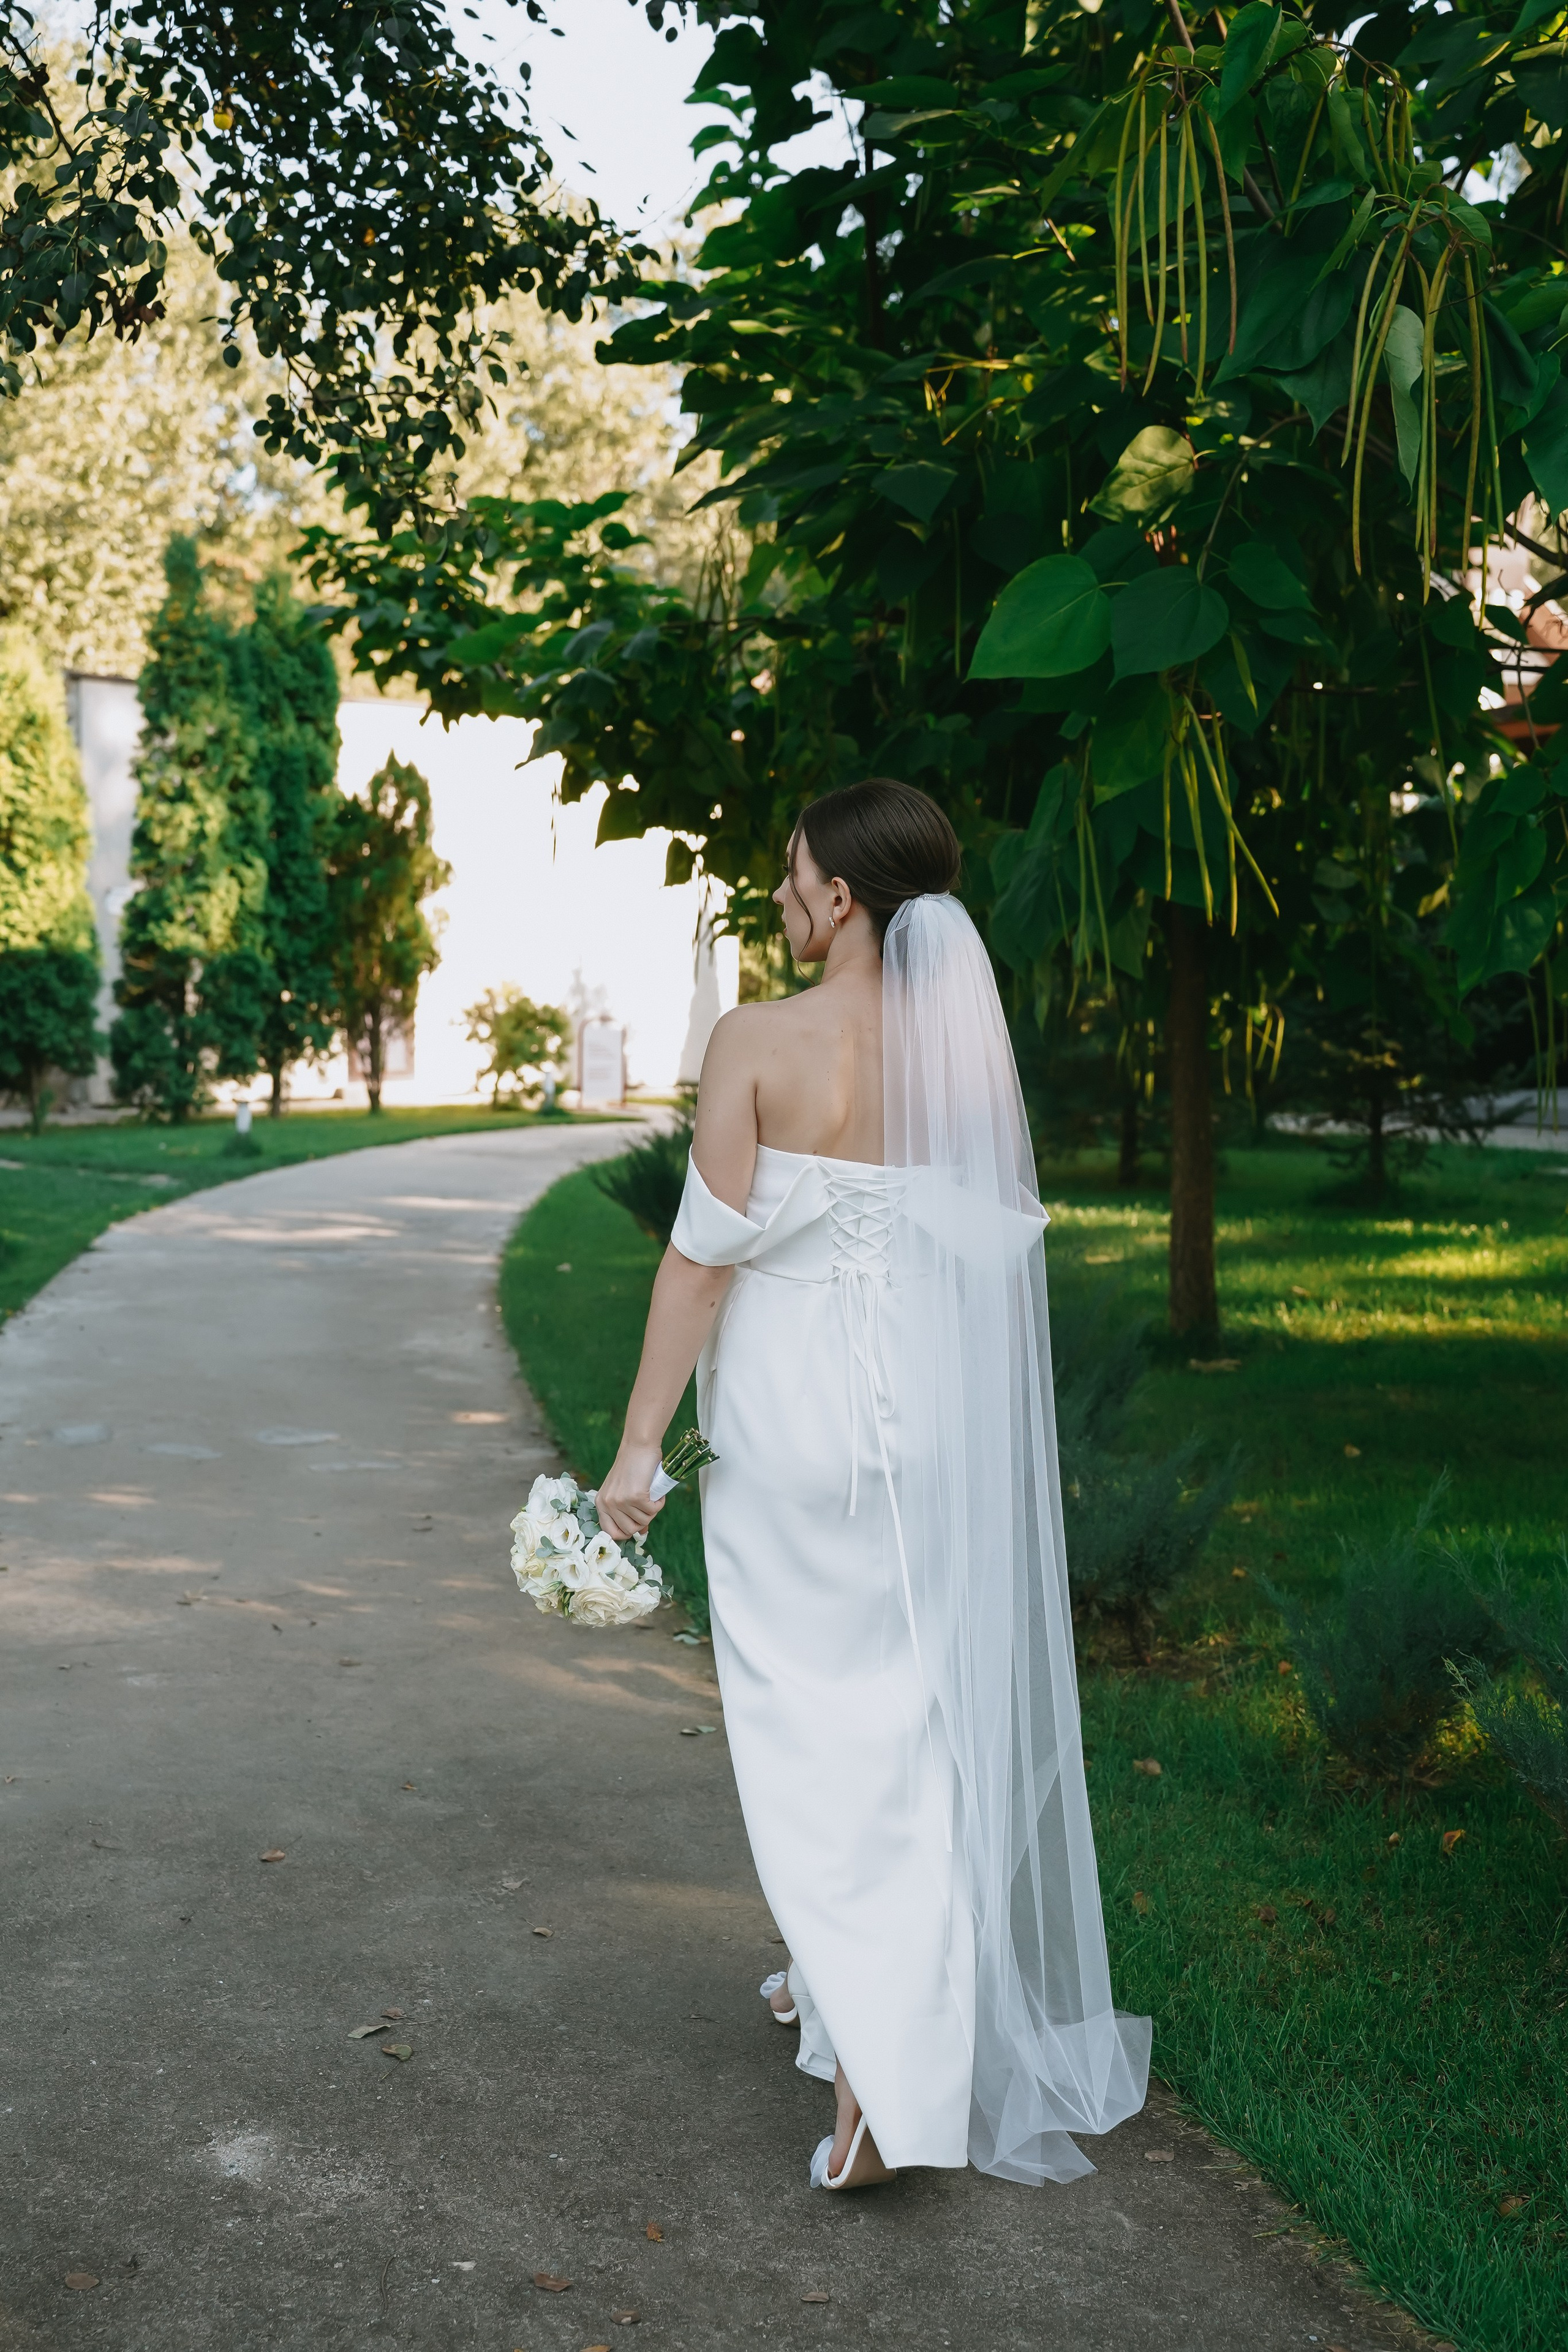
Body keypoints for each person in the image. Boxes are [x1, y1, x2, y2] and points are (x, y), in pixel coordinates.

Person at [596, 778, 1149, 2192]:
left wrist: (637, 1450)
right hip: (924, 1427)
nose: (778, 898)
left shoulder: (758, 1040)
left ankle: (871, 2089)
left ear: (840, 896)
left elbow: (699, 1259)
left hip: (790, 1424)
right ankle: (837, 1985)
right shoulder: (958, 1053)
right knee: (904, 1722)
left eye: (789, 878)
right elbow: (978, 1241)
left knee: (804, 1733)